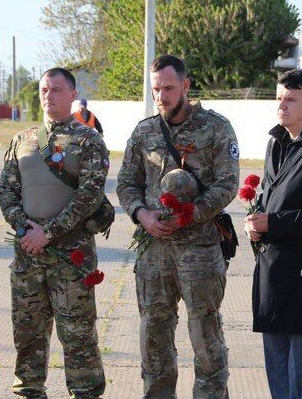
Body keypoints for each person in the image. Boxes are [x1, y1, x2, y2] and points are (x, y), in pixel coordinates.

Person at [117, 54, 239, 399]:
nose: (162, 96)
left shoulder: (216, 127)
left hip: (199, 249)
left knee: (206, 336)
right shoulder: (144, 131)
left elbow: (227, 184)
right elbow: (127, 183)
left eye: (169, 88)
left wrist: (192, 214)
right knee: (153, 336)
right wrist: (142, 215)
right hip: (154, 249)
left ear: (185, 86)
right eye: (156, 89)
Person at [0, 67, 110, 399]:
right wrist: (24, 229)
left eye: (57, 90)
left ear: (73, 95)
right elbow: (7, 191)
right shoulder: (21, 140)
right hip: (28, 257)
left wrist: (47, 233)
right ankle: (28, 391)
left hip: (70, 259)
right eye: (44, 90)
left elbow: (89, 196)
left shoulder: (89, 140)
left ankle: (86, 392)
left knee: (78, 336)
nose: (49, 96)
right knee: (28, 335)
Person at [245, 69, 302, 399]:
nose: (282, 105)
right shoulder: (276, 142)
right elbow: (267, 195)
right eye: (279, 98)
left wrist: (272, 223)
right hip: (270, 274)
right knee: (277, 371)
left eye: (291, 99)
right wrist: (255, 223)